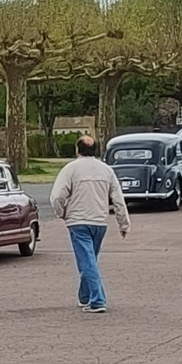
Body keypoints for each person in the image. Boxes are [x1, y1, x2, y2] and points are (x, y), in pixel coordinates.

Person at [49, 134, 131, 313]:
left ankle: (97, 300)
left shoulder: (70, 169)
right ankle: (84, 296)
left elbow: (57, 196)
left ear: (77, 150)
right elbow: (118, 199)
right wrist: (123, 224)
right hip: (100, 222)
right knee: (89, 260)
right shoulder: (107, 170)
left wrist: (61, 213)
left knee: (87, 262)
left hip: (78, 221)